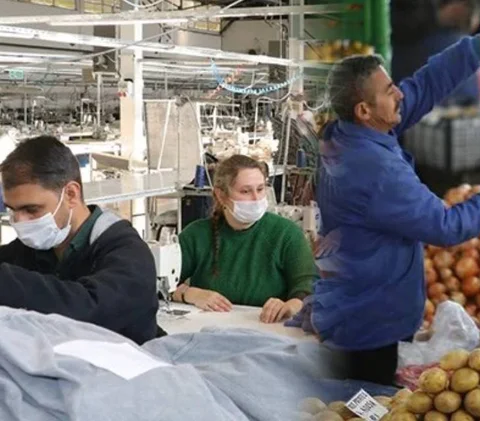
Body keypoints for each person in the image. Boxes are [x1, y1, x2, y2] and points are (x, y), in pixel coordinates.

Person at [313, 20, 480, 385]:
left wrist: (478, 47)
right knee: (367, 396)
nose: (399, 95)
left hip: (359, 304)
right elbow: (446, 226)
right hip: (369, 322)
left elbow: (419, 89)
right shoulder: (376, 170)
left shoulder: (350, 134)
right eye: (389, 91)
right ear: (364, 111)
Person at [0, 135, 159, 344]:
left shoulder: (128, 253)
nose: (20, 221)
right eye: (13, 211)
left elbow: (89, 309)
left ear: (71, 194)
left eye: (31, 209)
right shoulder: (30, 250)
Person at [172, 155, 317, 323]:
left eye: (261, 189)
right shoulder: (196, 236)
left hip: (267, 329)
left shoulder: (286, 234)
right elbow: (156, 283)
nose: (256, 199)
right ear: (221, 195)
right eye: (246, 191)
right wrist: (190, 294)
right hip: (207, 329)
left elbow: (308, 285)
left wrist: (291, 305)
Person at [391, 0, 480, 105]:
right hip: (411, 46)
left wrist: (473, 10)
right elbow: (394, 23)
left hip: (456, 38)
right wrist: (437, 17)